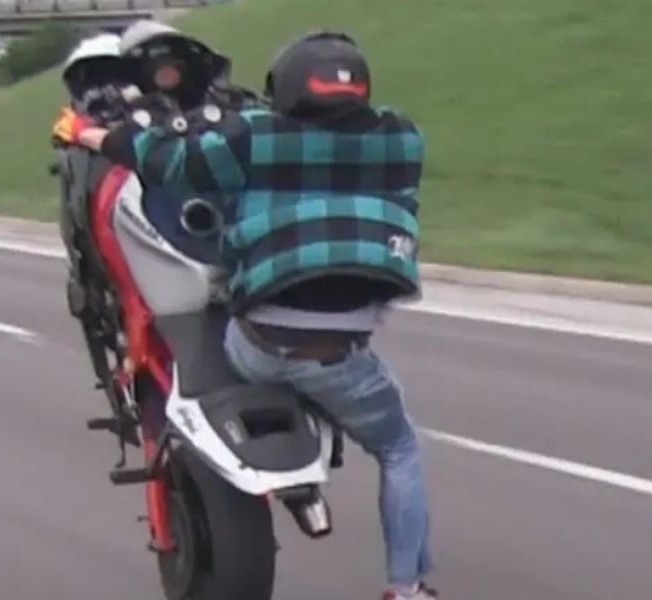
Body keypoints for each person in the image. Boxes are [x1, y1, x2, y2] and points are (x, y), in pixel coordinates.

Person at [51, 30, 440, 600]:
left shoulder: (253, 136)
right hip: (342, 354)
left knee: (215, 318)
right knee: (399, 448)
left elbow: (164, 160)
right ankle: (406, 589)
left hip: (255, 343)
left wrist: (88, 132)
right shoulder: (402, 139)